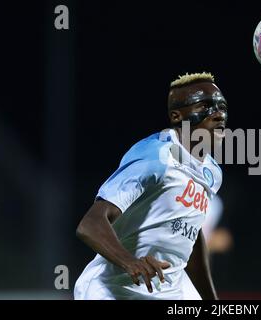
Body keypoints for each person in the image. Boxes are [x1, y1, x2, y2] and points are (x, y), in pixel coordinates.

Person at [74, 72, 228, 300]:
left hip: (171, 291)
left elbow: (191, 235)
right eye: (205, 105)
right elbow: (90, 224)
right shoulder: (155, 157)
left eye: (221, 106)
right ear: (177, 116)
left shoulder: (212, 173)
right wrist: (130, 262)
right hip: (113, 290)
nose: (218, 114)